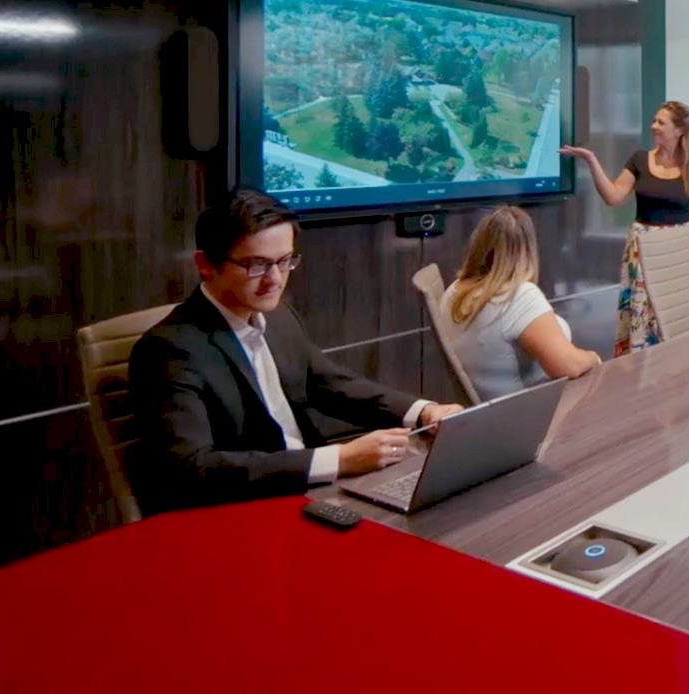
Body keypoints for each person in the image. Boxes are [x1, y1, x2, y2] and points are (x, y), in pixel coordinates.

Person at [127, 187, 463, 515]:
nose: (274, 279)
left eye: (285, 261)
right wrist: (340, 460)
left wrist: (423, 412)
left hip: (313, 491)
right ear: (206, 264)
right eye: (256, 265)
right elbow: (193, 468)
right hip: (245, 511)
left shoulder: (278, 315)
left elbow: (331, 384)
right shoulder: (168, 349)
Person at [558, 100, 689, 356]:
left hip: (677, 254)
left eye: (661, 122)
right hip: (642, 254)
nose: (654, 126)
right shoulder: (639, 160)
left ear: (679, 130)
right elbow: (614, 197)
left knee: (676, 322)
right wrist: (592, 161)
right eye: (654, 120)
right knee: (641, 321)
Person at [441, 206, 603, 401]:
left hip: (481, 413)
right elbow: (569, 366)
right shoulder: (518, 296)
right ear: (528, 249)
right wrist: (593, 357)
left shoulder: (453, 291)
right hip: (526, 414)